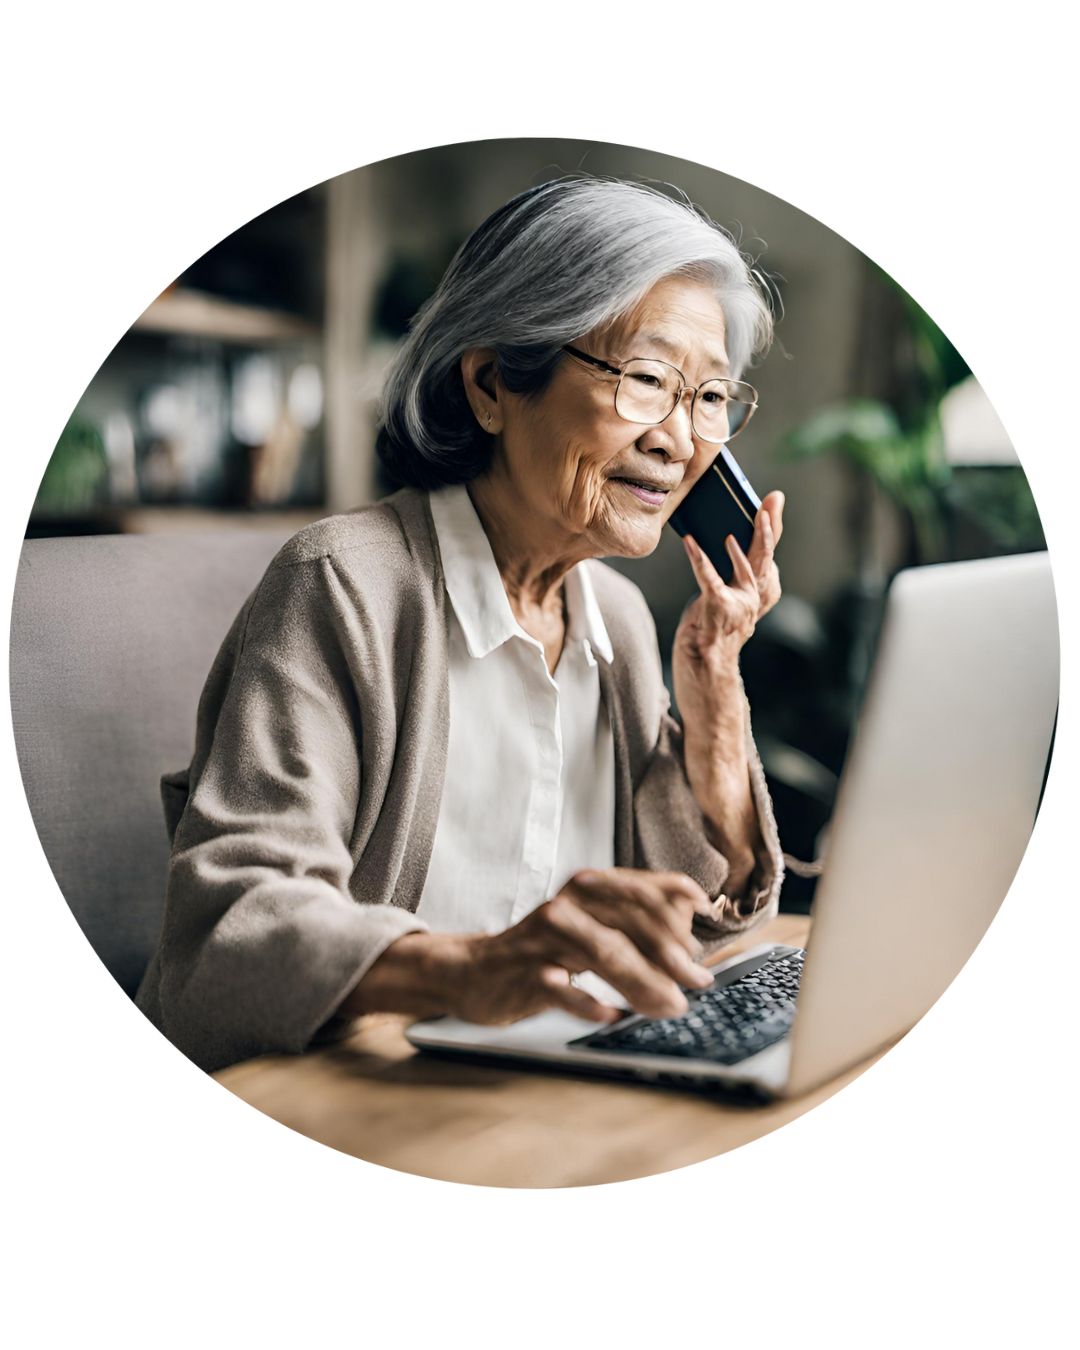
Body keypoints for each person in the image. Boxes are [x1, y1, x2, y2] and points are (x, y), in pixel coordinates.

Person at [135, 177, 788, 1075]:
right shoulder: (344, 586)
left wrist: (715, 721)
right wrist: (469, 969)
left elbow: (704, 926)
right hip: (358, 1096)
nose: (681, 439)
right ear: (489, 384)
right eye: (645, 380)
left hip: (548, 1094)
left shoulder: (623, 623)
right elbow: (231, 930)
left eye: (711, 397)